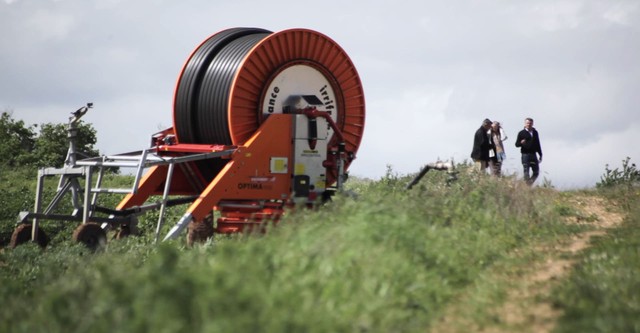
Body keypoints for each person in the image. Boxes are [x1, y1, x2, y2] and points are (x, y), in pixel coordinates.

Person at [515, 117, 542, 185]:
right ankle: (526, 186)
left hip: (533, 154)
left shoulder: (535, 132)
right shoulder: (521, 133)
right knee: (526, 172)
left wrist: (540, 154)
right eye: (527, 123)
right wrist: (521, 143)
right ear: (525, 124)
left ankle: (529, 184)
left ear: (532, 123)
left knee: (536, 172)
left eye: (530, 123)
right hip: (525, 154)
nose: (529, 124)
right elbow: (516, 144)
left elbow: (538, 143)